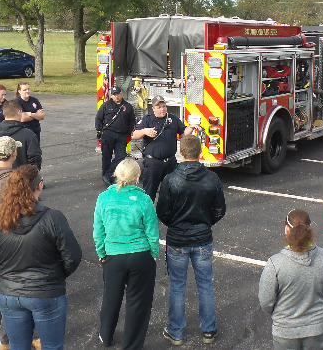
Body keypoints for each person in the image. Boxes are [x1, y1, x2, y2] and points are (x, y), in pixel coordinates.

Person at [0, 165, 82, 350]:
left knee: (17, 346)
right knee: (52, 346)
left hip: (10, 293)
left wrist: (7, 274)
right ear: (39, 186)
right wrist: (54, 276)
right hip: (46, 293)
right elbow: (73, 257)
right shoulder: (53, 218)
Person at [156, 135, 226, 346]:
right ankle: (208, 330)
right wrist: (205, 222)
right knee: (205, 284)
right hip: (202, 238)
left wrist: (176, 224)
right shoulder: (212, 178)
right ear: (200, 151)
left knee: (177, 286)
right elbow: (219, 210)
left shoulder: (171, 179)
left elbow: (163, 212)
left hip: (177, 239)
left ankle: (176, 332)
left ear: (181, 152)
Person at [0, 136, 36, 350]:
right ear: (14, 154)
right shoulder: (15, 179)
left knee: (4, 292)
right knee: (21, 293)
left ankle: (5, 340)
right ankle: (11, 339)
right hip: (15, 241)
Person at [94, 158, 160, 349]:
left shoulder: (104, 198)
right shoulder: (144, 199)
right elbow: (151, 231)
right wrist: (153, 253)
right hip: (140, 255)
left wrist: (102, 252)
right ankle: (131, 344)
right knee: (138, 302)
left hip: (113, 256)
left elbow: (99, 230)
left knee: (111, 298)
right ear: (137, 177)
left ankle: (105, 336)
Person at [259, 209, 323, 350]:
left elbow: (266, 301)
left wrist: (280, 314)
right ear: (310, 229)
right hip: (316, 329)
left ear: (286, 229)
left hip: (285, 331)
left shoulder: (275, 263)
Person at [132, 95, 198, 200]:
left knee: (171, 191)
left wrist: (191, 127)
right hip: (153, 163)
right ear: (153, 108)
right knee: (149, 192)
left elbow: (183, 134)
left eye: (164, 106)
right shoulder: (147, 120)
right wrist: (145, 131)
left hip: (170, 162)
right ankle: (148, 214)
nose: (162, 109)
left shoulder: (172, 119)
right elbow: (135, 135)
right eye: (159, 107)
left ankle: (167, 214)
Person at [0, 100, 42, 170]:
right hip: (21, 178)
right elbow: (35, 160)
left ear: (4, 113)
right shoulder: (29, 135)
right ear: (19, 112)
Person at [95, 86, 136, 185]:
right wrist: (100, 131)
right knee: (106, 157)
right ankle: (106, 178)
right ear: (111, 95)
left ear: (122, 93)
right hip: (108, 134)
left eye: (118, 94)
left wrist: (127, 132)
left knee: (121, 157)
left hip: (122, 135)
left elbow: (132, 121)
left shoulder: (128, 107)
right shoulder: (106, 105)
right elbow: (98, 119)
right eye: (114, 94)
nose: (117, 96)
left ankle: (108, 175)